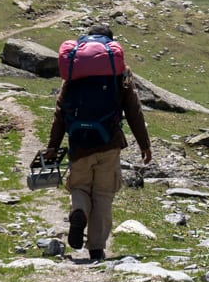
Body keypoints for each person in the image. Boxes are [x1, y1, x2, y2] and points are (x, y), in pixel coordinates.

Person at [40, 27, 153, 262]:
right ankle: (97, 248)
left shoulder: (73, 73)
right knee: (103, 194)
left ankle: (78, 211)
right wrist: (144, 144)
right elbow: (134, 111)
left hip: (79, 144)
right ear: (111, 45)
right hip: (108, 144)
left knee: (79, 187)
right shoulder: (120, 71)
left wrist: (53, 145)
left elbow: (60, 112)